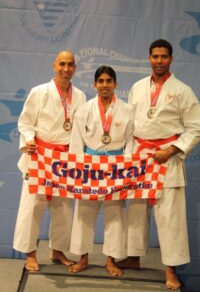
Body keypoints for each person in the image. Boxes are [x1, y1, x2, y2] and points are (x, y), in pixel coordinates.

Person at [117, 39, 200, 290]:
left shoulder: (183, 90)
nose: (159, 61)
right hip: (141, 156)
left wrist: (171, 150)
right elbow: (130, 125)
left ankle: (171, 269)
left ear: (171, 59)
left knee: (170, 217)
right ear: (149, 58)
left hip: (168, 159)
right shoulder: (137, 87)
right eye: (155, 56)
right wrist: (129, 158)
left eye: (164, 56)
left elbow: (196, 128)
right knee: (137, 212)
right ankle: (133, 257)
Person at [13, 50, 86, 271]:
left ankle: (58, 251)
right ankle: (30, 253)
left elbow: (81, 130)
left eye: (70, 65)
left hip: (65, 159)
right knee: (32, 206)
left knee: (63, 208)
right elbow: (25, 122)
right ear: (54, 65)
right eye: (62, 64)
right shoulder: (39, 92)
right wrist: (29, 140)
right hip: (40, 156)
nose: (66, 69)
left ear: (75, 67)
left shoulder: (80, 96)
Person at [68, 66, 134, 276]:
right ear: (95, 84)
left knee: (115, 214)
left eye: (109, 81)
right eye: (101, 81)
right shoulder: (85, 109)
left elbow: (131, 141)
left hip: (116, 165)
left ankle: (111, 260)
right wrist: (78, 168)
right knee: (84, 213)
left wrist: (127, 168)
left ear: (115, 84)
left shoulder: (127, 110)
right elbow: (76, 140)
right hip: (90, 165)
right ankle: (82, 257)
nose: (104, 85)